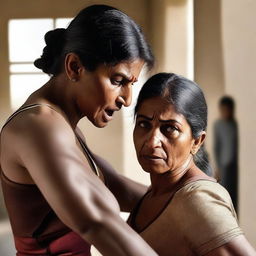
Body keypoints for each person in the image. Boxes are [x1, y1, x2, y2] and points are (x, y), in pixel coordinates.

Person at [0, 5, 158, 256]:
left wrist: (194, 199)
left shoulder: (65, 127)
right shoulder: (36, 126)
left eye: (131, 85)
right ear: (74, 66)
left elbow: (123, 189)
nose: (126, 100)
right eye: (118, 81)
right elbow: (97, 222)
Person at [128, 73, 256, 256]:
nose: (152, 141)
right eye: (143, 124)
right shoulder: (157, 191)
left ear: (197, 141)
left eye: (170, 128)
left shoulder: (198, 200)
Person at [214, 96, 238, 211]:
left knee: (235, 192)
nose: (225, 113)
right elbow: (217, 147)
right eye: (222, 110)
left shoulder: (236, 124)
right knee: (225, 191)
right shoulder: (218, 125)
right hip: (223, 163)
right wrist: (218, 166)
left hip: (235, 165)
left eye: (227, 110)